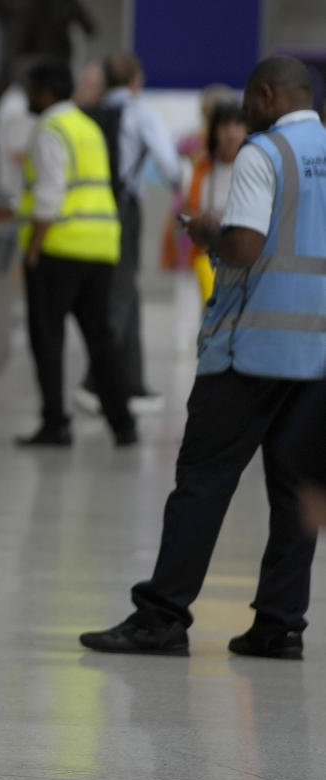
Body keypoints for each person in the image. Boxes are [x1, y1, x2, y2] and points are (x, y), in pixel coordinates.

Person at [80, 56, 326, 660]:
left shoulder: (262, 154)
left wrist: (208, 231)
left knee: (203, 483)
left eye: (249, 100)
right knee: (296, 491)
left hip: (252, 350)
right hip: (318, 352)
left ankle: (161, 616)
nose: (243, 114)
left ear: (268, 94)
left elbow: (244, 245)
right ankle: (280, 624)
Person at [12, 57, 136, 448]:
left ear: (46, 93)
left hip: (61, 246)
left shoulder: (50, 127)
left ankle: (55, 423)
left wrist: (33, 249)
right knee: (101, 338)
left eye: (32, 89)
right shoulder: (87, 125)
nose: (29, 97)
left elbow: (49, 196)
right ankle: (123, 424)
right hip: (100, 244)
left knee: (47, 338)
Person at [73, 51, 181, 417]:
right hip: (125, 209)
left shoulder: (92, 112)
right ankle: (95, 383)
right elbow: (169, 165)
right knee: (119, 295)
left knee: (126, 293)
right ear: (135, 79)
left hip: (93, 207)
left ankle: (132, 382)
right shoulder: (141, 113)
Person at [181, 101, 246, 305]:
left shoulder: (254, 168)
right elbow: (189, 208)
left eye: (237, 125)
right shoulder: (203, 168)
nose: (231, 133)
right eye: (225, 126)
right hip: (204, 258)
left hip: (242, 260)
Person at [0, 57, 38, 206]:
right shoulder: (19, 108)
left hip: (10, 193)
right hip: (15, 196)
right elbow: (19, 155)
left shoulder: (11, 101)